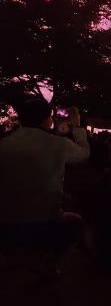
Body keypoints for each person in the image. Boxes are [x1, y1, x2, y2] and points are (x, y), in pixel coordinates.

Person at [0, 99, 89, 261]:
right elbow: (83, 154)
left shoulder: (5, 144)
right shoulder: (58, 143)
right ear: (47, 120)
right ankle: (50, 260)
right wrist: (76, 127)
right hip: (45, 222)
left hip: (7, 221)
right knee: (76, 222)